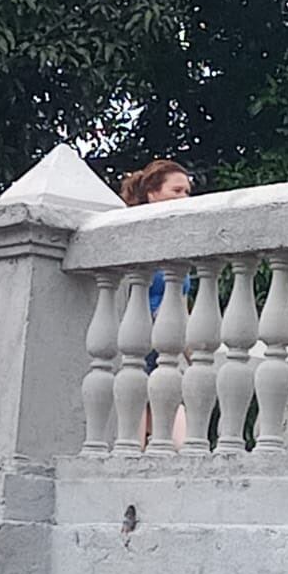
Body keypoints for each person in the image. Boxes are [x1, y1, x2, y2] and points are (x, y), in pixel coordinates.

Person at [119, 159, 195, 447]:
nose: (184, 198)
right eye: (176, 191)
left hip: (166, 353)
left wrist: (196, 357)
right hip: (136, 348)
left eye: (187, 192)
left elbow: (182, 308)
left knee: (183, 443)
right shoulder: (134, 236)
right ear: (152, 192)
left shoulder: (178, 248)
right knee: (133, 439)